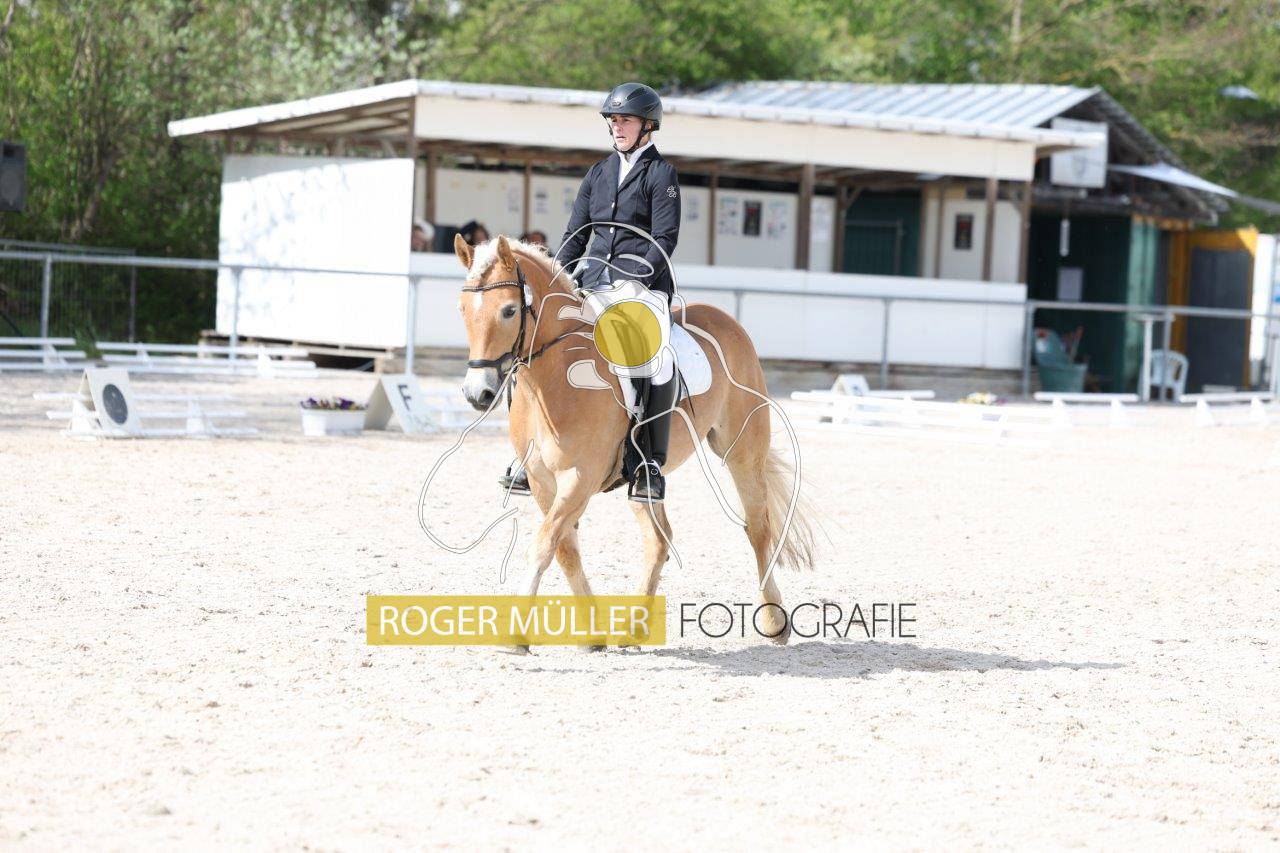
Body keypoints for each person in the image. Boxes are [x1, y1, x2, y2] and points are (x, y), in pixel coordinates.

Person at [500, 81, 680, 503]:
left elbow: (665, 237)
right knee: (530, 346)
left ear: (647, 125)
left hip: (643, 285)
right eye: (613, 120)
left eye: (626, 120)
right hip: (593, 282)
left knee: (655, 360)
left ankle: (648, 462)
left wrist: (637, 275)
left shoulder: (661, 175)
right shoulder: (598, 173)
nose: (617, 127)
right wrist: (558, 276)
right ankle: (526, 452)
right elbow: (575, 235)